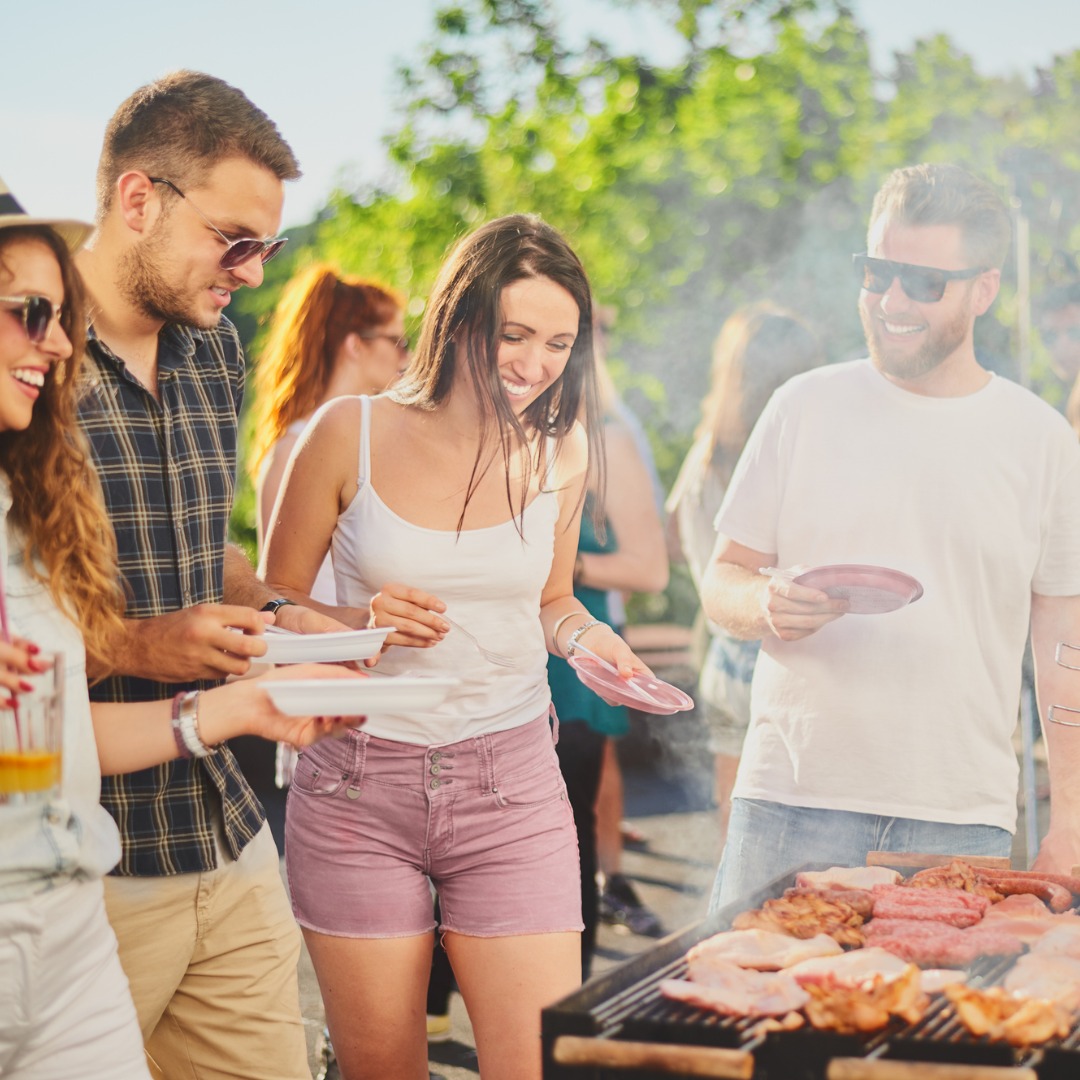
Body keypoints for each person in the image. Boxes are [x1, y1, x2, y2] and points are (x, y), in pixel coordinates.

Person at [263, 213, 650, 1080]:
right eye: (514, 334)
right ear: (459, 318)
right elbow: (273, 601)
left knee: (530, 1066)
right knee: (382, 1069)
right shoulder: (346, 431)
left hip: (509, 782)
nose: (535, 364)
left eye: (558, 342)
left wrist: (594, 641)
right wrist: (353, 625)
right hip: (358, 780)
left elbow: (552, 600)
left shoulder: (564, 448)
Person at [0, 182, 361, 1079]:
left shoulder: (22, 507)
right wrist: (138, 644)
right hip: (95, 890)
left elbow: (42, 742)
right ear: (139, 198)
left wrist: (261, 670)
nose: (54, 341)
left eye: (266, 249)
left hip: (97, 889)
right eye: (27, 312)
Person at [703, 163, 1080, 910]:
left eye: (922, 283)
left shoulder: (1040, 438)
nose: (890, 301)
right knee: (733, 1015)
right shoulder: (801, 406)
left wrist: (1071, 817)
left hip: (959, 815)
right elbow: (724, 580)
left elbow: (1065, 641)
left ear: (984, 290)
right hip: (788, 798)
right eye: (876, 273)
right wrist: (766, 601)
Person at [666, 304, 823, 847]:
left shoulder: (705, 456)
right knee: (807, 832)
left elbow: (677, 539)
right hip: (784, 658)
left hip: (724, 660)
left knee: (738, 824)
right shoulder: (794, 451)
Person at [547, 346, 669, 974]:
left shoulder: (605, 438)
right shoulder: (474, 431)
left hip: (569, 670)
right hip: (485, 669)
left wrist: (562, 568)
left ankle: (565, 1014)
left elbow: (650, 566)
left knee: (568, 847)